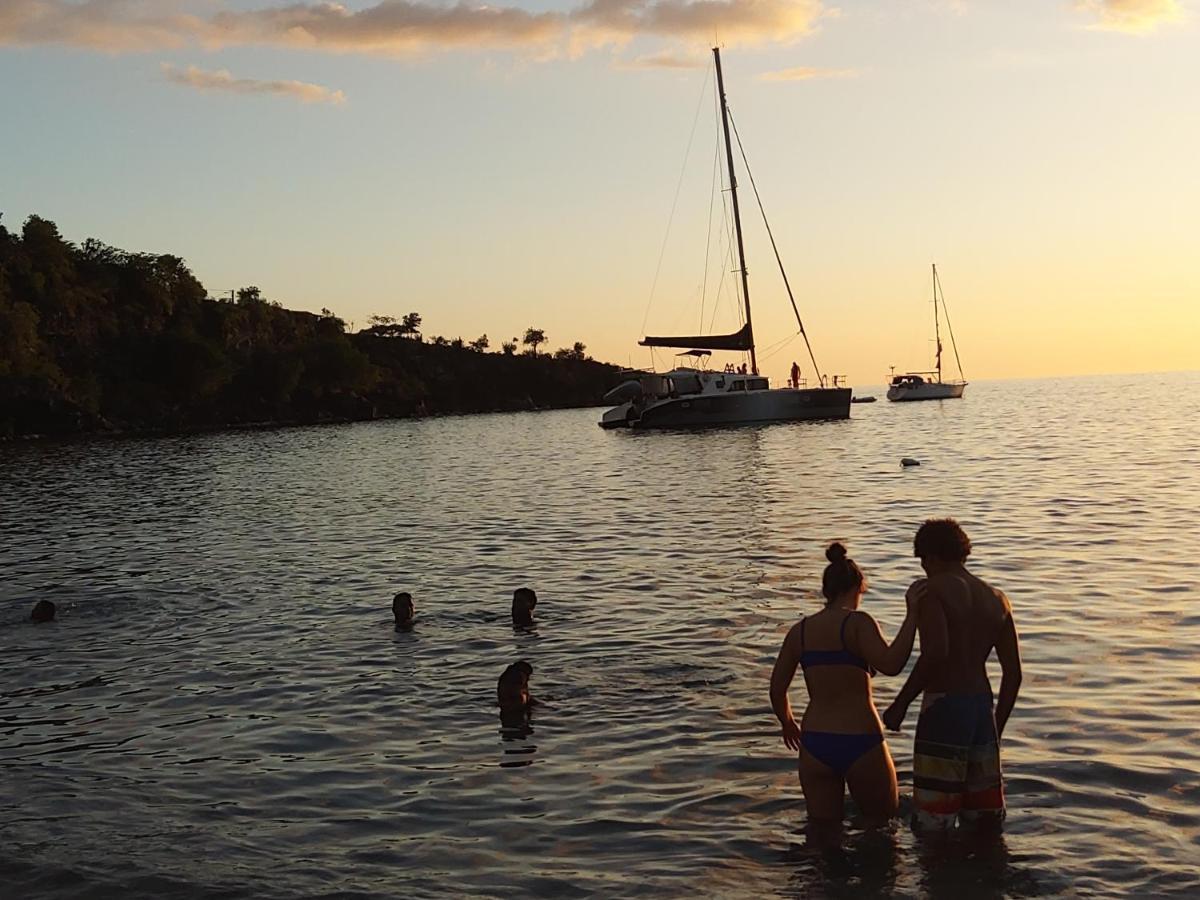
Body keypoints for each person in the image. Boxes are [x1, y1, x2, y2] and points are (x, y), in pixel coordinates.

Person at [882, 519, 1022, 832]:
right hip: (982, 711)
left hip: (945, 709)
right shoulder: (997, 598)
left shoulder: (932, 592)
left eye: (922, 560)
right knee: (985, 825)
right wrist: (996, 726)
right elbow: (1013, 674)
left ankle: (940, 880)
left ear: (930, 556)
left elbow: (936, 653)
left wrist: (901, 703)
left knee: (935, 823)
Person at [770, 543, 921, 833]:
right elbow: (891, 664)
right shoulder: (857, 623)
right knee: (881, 831)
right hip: (860, 740)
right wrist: (912, 614)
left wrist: (788, 722)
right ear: (858, 588)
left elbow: (777, 689)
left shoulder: (799, 632)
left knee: (822, 836)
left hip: (815, 743)